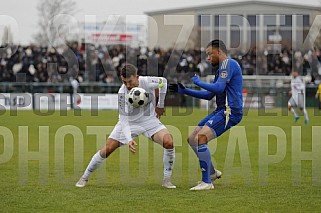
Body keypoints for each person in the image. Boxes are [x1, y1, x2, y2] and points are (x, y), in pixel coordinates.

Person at [76, 63, 176, 189]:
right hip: (129, 122)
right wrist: (129, 139)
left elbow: (164, 82)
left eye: (130, 81)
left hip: (150, 121)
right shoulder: (122, 93)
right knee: (107, 149)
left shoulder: (147, 81)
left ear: (137, 77)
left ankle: (167, 180)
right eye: (124, 82)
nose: (128, 85)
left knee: (169, 142)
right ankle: (85, 177)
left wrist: (160, 105)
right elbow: (123, 120)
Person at [170, 39, 243, 190]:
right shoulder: (221, 69)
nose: (208, 58)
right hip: (220, 110)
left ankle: (207, 182)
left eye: (210, 54)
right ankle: (212, 172)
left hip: (230, 111)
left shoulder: (229, 64)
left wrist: (198, 81)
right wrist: (185, 91)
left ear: (218, 52)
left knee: (201, 138)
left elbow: (217, 88)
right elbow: (210, 95)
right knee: (192, 139)